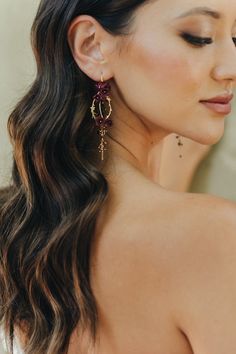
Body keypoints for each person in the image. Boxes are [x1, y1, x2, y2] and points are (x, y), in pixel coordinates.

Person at [0, 0, 236, 353]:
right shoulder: (215, 236)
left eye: (235, 36)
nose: (230, 66)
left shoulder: (17, 231)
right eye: (198, 37)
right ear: (92, 46)